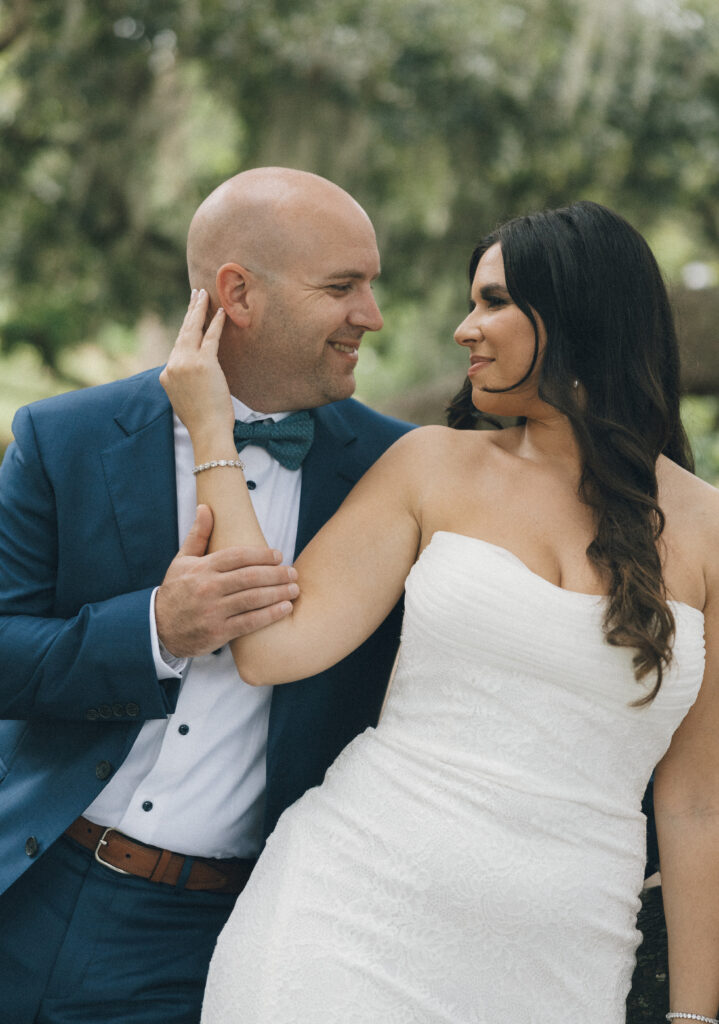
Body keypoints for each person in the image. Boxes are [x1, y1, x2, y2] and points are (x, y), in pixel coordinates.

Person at [159, 200, 719, 1022]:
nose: (464, 328)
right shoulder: (429, 465)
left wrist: (694, 1015)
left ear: (576, 313)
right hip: (341, 922)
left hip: (563, 956)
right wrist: (212, 427)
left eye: (492, 301)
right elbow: (269, 651)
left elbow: (696, 804)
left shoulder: (707, 527)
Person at [0, 168, 413, 1023]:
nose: (370, 316)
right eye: (342, 287)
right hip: (28, 879)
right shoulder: (61, 437)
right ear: (238, 294)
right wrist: (153, 628)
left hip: (213, 935)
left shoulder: (395, 472)